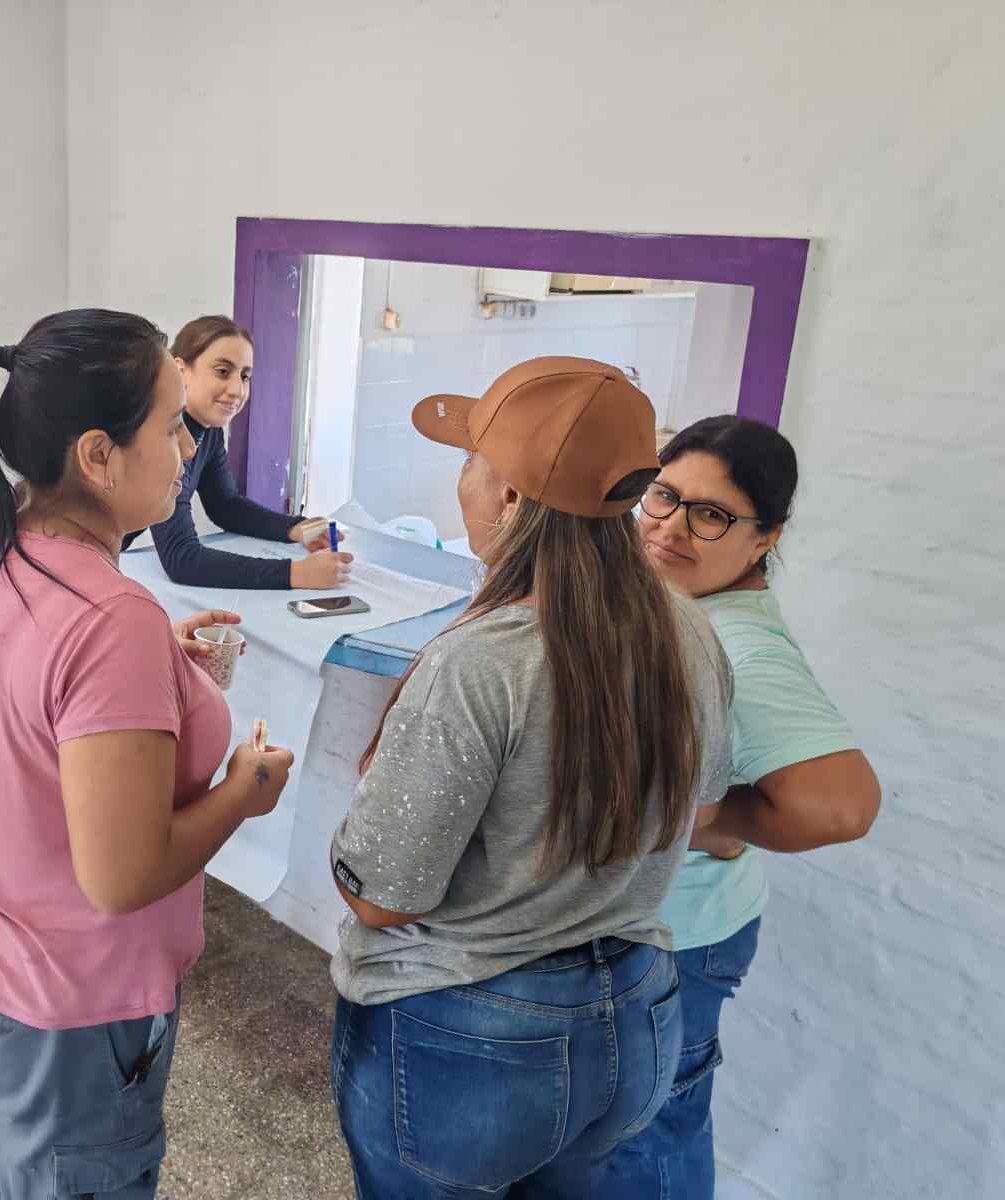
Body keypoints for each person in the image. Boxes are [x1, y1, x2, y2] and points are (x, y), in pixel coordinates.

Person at [328, 356, 737, 1197]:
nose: (463, 485)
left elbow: (383, 895)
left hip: (477, 1031)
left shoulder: (483, 662)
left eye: (471, 464)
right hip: (637, 1017)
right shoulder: (688, 631)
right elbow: (703, 802)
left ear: (511, 499)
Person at [0, 309, 296, 1199]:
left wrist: (159, 660)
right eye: (171, 426)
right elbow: (123, 876)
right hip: (67, 1002)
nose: (185, 446)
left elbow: (36, 689)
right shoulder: (108, 620)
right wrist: (243, 791)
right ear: (97, 455)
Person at [599, 415, 881, 1197]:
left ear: (763, 539)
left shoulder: (739, 645)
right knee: (641, 1124)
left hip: (678, 942)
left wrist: (713, 819)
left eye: (712, 514)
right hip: (672, 929)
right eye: (664, 496)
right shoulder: (684, 610)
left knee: (643, 1140)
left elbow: (840, 805)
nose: (671, 528)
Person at [123, 315, 353, 589]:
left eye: (245, 376)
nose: (237, 390)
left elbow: (225, 505)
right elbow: (181, 558)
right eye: (222, 371)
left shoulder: (208, 429)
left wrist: (294, 528)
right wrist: (295, 573)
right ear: (179, 370)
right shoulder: (156, 437)